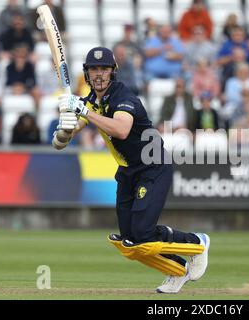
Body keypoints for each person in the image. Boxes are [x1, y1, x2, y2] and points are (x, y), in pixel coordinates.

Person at [54, 47, 210, 294]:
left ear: (112, 72)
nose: (99, 74)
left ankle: (197, 242)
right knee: (131, 242)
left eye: (104, 69)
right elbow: (61, 142)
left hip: (153, 166)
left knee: (142, 233)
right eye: (94, 69)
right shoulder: (89, 102)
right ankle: (177, 270)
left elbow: (121, 129)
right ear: (87, 73)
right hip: (128, 172)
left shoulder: (122, 96)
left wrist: (82, 111)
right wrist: (64, 128)